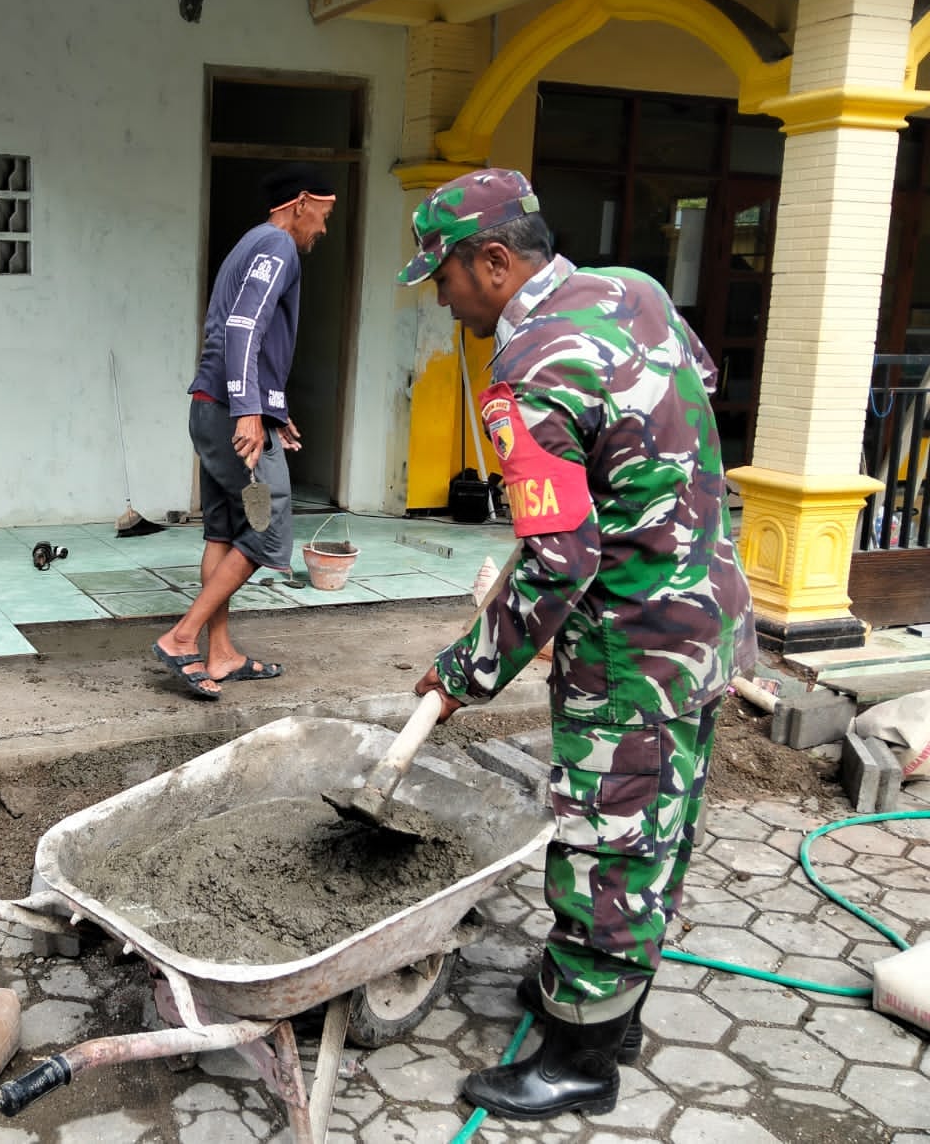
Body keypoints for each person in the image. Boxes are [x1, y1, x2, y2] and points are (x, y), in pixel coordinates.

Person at [397, 168, 756, 1120]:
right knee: (663, 817)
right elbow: (694, 392)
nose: (441, 296)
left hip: (632, 637)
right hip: (709, 607)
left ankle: (581, 1059)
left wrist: (466, 671)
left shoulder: (525, 371)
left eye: (446, 275)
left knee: (608, 834)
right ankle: (611, 1002)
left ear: (496, 261)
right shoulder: (633, 290)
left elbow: (561, 561)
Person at [151, 164, 335, 698]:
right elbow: (243, 326)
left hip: (211, 408)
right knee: (269, 526)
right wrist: (250, 409)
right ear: (301, 203)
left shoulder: (251, 244)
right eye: (323, 214)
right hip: (232, 410)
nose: (322, 229)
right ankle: (183, 638)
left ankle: (222, 652)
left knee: (223, 529)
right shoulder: (277, 246)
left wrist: (271, 408)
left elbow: (244, 332)